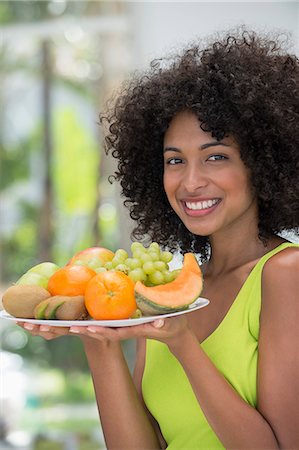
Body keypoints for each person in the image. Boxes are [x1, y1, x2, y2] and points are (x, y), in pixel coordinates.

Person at [19, 29, 299, 449]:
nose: (190, 182)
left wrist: (182, 343)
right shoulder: (164, 291)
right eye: (174, 161)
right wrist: (98, 341)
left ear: (262, 162)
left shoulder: (285, 274)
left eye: (216, 156)